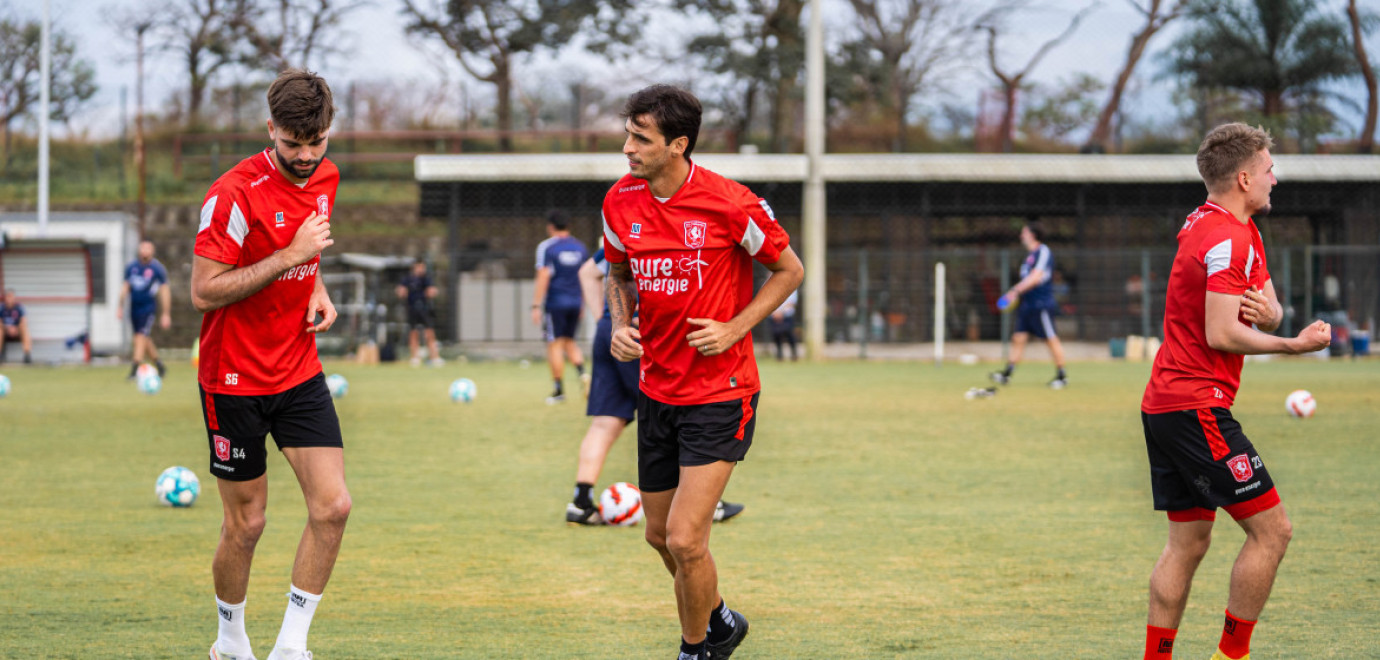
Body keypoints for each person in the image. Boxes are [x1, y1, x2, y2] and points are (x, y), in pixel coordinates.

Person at [602, 84, 804, 660]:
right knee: (659, 537)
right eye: (628, 135)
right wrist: (621, 325)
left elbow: (789, 270)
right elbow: (617, 274)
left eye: (641, 139)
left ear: (678, 145)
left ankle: (697, 650)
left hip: (721, 392)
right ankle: (718, 620)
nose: (627, 149)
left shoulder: (730, 202)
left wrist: (735, 327)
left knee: (688, 539)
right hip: (656, 390)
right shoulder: (619, 202)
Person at [1138, 123, 1331, 660]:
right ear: (1245, 178)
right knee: (1273, 532)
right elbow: (1220, 332)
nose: (1276, 178)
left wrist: (1273, 314)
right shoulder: (1227, 237)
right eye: (1269, 169)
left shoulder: (1212, 221)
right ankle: (1233, 656)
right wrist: (1291, 344)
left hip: (1166, 404)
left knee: (1189, 543)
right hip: (1196, 405)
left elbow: (1263, 300)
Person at [190, 69, 352, 660]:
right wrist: (293, 256)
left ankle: (291, 646)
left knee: (333, 507)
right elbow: (205, 291)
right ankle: (230, 642)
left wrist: (316, 286)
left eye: (318, 142)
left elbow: (308, 250)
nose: (307, 157)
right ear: (270, 130)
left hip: (298, 370)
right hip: (233, 379)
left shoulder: (326, 176)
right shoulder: (232, 193)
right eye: (293, 144)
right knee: (248, 524)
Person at [566, 248, 744, 527]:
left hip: (612, 333)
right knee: (672, 414)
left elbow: (587, 273)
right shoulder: (654, 229)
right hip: (640, 334)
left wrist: (608, 322)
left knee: (605, 422)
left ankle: (580, 502)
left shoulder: (625, 231)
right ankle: (706, 503)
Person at [991, 220, 1068, 388]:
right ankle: (1007, 374)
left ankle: (1062, 376)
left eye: (1024, 232)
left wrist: (1014, 291)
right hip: (1027, 304)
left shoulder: (1043, 251)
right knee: (1018, 338)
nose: (1021, 236)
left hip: (1041, 304)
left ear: (1033, 235)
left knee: (1050, 339)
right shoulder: (1029, 257)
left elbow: (1036, 277)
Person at [531, 209, 590, 404]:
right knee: (569, 341)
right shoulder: (580, 247)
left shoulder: (547, 247)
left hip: (556, 303)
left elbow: (543, 275)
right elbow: (585, 276)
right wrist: (582, 302)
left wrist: (536, 305)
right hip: (575, 302)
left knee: (555, 343)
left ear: (550, 227)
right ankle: (583, 374)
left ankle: (558, 390)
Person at [118, 240, 172, 379]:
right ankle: (160, 366)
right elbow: (125, 287)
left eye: (148, 248)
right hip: (134, 308)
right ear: (139, 249)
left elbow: (164, 291)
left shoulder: (157, 269)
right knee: (143, 338)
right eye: (143, 247)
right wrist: (120, 306)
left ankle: (135, 369)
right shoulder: (131, 267)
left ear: (152, 251)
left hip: (148, 308)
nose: (145, 250)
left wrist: (166, 313)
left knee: (140, 337)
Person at [396, 260, 442, 367]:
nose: (421, 270)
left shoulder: (427, 279)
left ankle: (434, 357)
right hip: (412, 308)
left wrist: (431, 292)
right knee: (413, 333)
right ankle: (415, 357)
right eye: (419, 267)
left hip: (425, 309)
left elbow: (433, 291)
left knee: (429, 333)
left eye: (423, 267)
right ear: (414, 268)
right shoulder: (407, 279)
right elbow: (400, 291)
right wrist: (401, 292)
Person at [0, 288, 32, 364]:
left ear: (14, 298)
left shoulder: (19, 307)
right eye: (8, 296)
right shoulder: (1, 307)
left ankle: (27, 355)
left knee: (24, 328)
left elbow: (24, 320)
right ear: (5, 298)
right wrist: (8, 328)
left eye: (11, 296)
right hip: (5, 331)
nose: (9, 299)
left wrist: (16, 329)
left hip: (17, 331)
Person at [768, 289, 799, 361]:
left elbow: (792, 302)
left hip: (787, 315)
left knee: (789, 335)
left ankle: (794, 354)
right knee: (776, 335)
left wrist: (781, 312)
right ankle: (779, 356)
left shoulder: (792, 284)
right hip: (774, 315)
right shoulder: (767, 283)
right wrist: (775, 312)